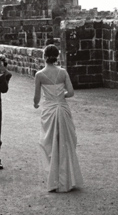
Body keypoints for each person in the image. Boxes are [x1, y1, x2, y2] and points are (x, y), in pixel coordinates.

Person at [33, 44, 83, 192]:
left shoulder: (39, 75)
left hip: (49, 110)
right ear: (57, 57)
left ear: (44, 57)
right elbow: (71, 92)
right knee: (66, 143)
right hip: (62, 108)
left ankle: (54, 180)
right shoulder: (63, 72)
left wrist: (36, 104)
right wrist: (61, 96)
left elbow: (36, 97)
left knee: (50, 143)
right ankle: (67, 179)